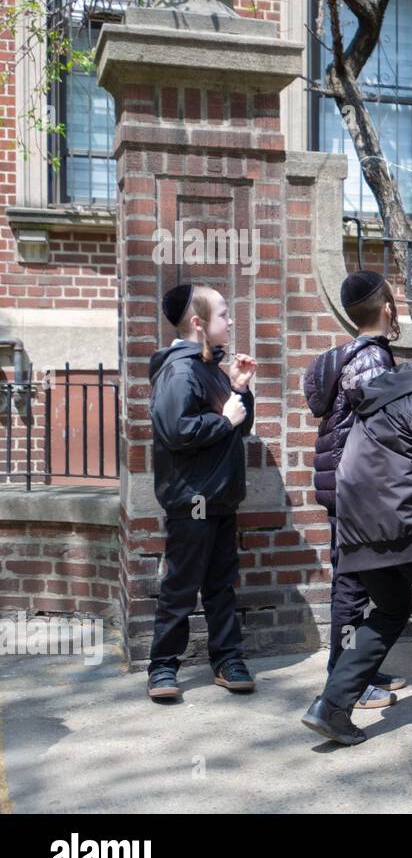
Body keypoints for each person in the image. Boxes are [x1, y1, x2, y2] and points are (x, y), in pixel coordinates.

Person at [301, 363, 412, 755]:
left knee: (390, 611)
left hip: (358, 528)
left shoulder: (375, 399)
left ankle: (332, 705)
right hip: (406, 522)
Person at [146, 284, 257, 700]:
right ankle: (162, 668)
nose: (229, 321)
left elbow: (239, 425)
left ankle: (227, 660)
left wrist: (240, 390)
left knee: (220, 585)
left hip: (221, 496)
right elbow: (177, 432)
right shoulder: (180, 370)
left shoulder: (209, 366)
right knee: (181, 586)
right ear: (198, 323)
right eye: (223, 314)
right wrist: (225, 420)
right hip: (192, 498)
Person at [303, 270, 403, 709]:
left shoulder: (349, 354)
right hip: (357, 488)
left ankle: (359, 668)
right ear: (386, 308)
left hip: (342, 484)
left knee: (364, 580)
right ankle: (345, 682)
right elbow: (386, 430)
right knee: (352, 585)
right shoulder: (372, 361)